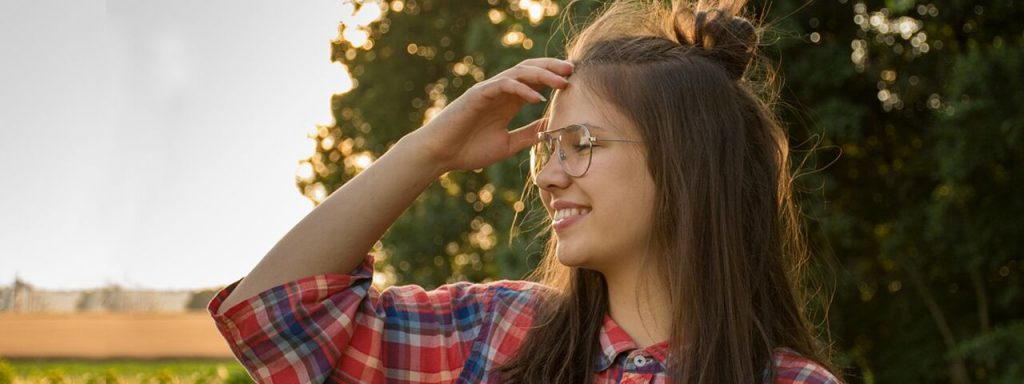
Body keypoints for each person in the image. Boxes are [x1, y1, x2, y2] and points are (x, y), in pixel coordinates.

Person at [209, 0, 843, 382]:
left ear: (688, 166)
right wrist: (429, 150)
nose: (545, 175)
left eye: (582, 145)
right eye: (548, 146)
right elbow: (273, 321)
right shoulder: (496, 335)